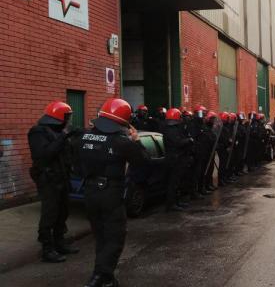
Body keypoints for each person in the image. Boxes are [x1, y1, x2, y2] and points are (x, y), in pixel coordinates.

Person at [74, 98, 151, 287]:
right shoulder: (122, 142)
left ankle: (106, 278)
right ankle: (99, 276)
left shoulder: (83, 137)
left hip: (89, 192)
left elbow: (74, 162)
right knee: (115, 236)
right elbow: (144, 162)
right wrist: (137, 141)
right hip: (111, 193)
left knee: (101, 236)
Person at [28, 101, 80, 263]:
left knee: (63, 212)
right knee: (49, 214)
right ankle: (47, 249)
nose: (69, 120)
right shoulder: (38, 132)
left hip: (62, 177)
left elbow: (67, 154)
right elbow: (44, 155)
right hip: (48, 180)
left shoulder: (59, 131)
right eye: (67, 117)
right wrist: (65, 137)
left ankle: (59, 242)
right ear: (59, 116)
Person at [163, 108, 194, 211]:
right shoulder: (171, 130)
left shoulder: (174, 128)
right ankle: (171, 204)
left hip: (177, 158)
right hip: (174, 160)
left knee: (177, 182)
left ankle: (176, 202)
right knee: (173, 183)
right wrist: (188, 140)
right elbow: (178, 142)